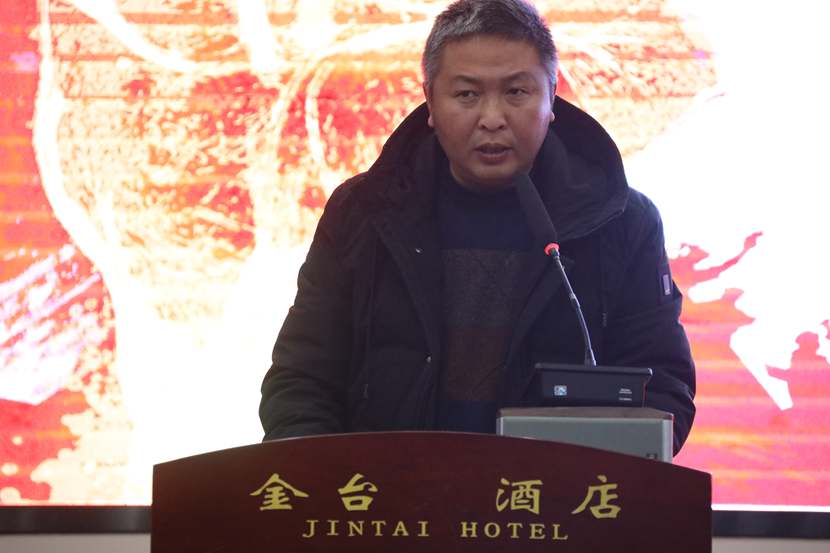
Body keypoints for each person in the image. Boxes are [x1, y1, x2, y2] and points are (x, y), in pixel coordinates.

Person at [259, 0, 696, 453]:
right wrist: (326, 478)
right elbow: (302, 378)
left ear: (551, 98)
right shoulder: (365, 212)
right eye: (467, 94)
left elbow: (663, 389)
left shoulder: (619, 222)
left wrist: (592, 476)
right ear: (430, 100)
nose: (492, 118)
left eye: (516, 92)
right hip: (388, 491)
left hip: (546, 495)